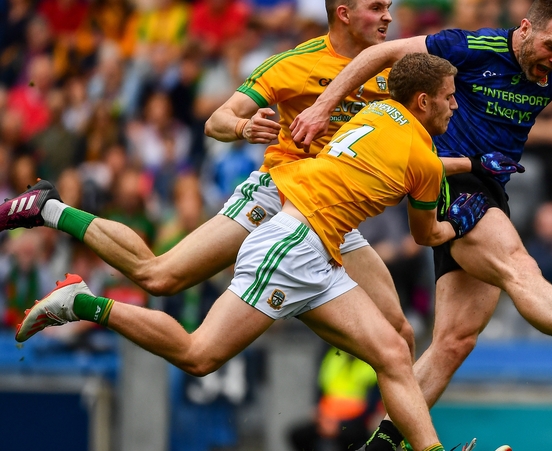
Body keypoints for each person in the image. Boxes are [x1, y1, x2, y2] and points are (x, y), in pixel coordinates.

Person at [16, 53, 499, 451]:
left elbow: (416, 161)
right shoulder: (415, 154)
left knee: (394, 348)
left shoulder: (378, 113)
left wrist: (470, 164)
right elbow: (427, 233)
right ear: (422, 101)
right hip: (291, 244)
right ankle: (82, 302)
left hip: (319, 243)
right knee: (197, 351)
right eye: (450, 97)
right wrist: (463, 216)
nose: (455, 105)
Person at [290, 1, 552, 449]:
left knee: (454, 341)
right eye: (551, 47)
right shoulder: (471, 47)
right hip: (450, 179)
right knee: (518, 266)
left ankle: (381, 446)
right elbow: (379, 54)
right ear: (525, 28)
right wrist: (323, 107)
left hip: (490, 186)